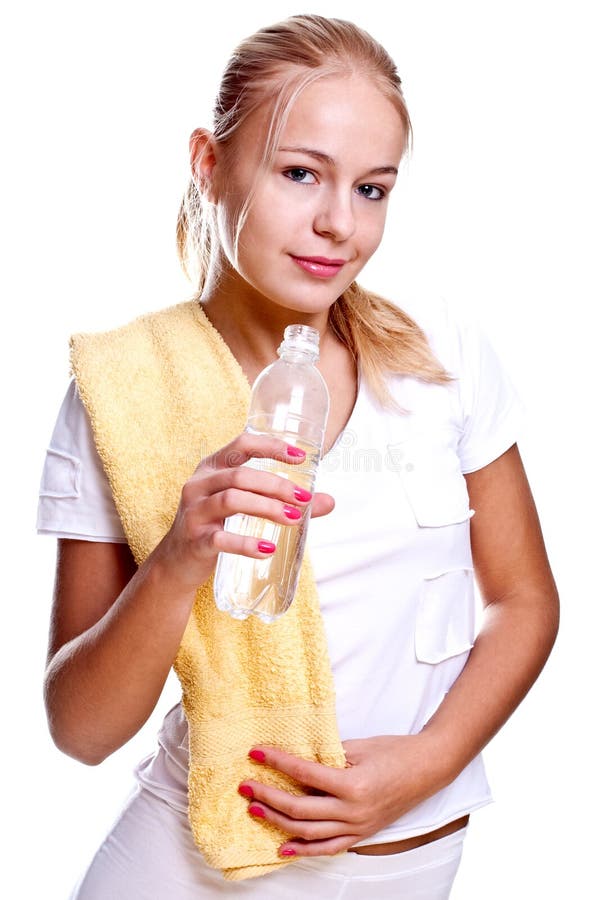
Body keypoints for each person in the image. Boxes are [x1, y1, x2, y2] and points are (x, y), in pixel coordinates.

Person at [37, 13, 559, 899]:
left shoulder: (443, 357)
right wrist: (177, 559)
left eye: (372, 189)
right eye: (299, 173)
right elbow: (80, 732)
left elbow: (523, 599)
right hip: (196, 860)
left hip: (414, 856)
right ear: (208, 162)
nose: (337, 225)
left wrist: (427, 763)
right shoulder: (120, 388)